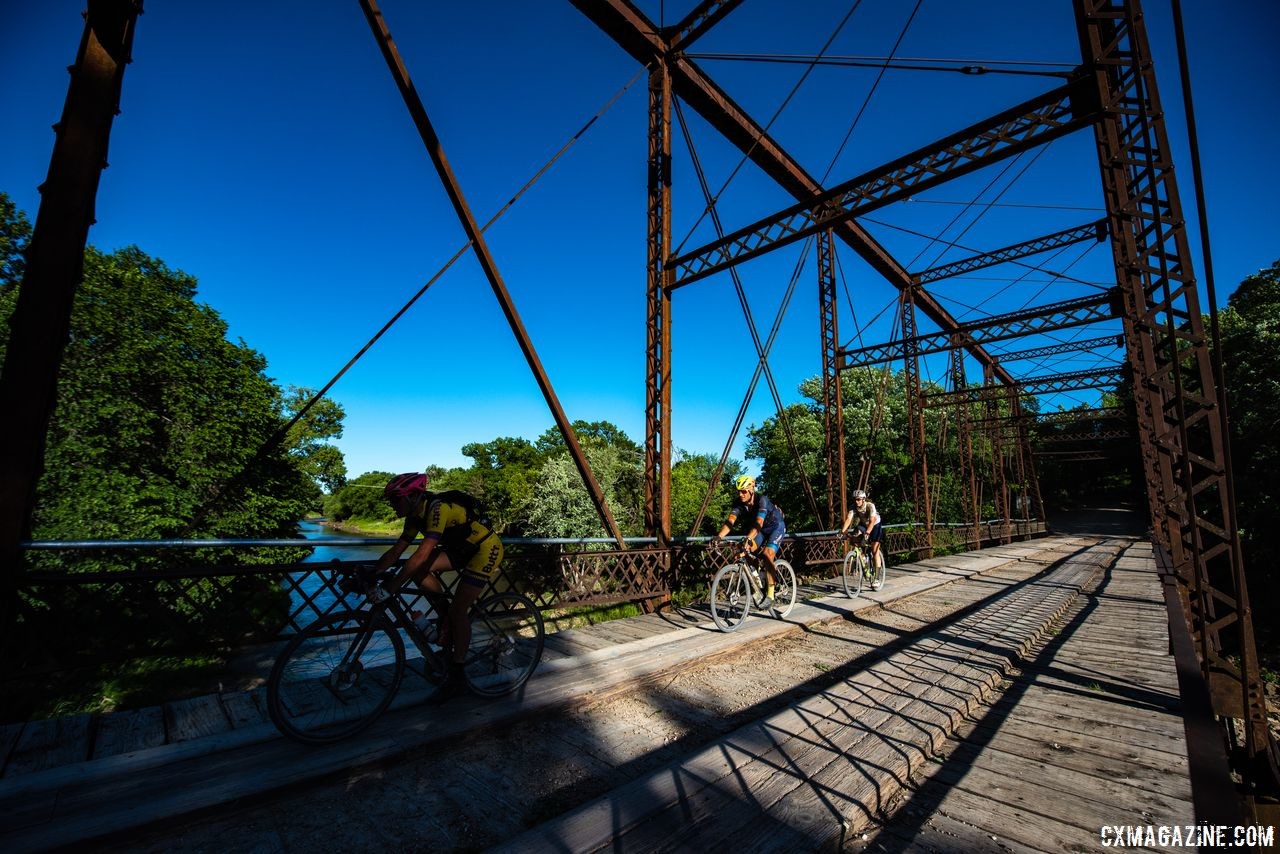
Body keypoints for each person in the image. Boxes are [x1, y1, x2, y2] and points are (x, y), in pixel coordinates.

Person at [370, 472, 503, 702]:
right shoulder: (413, 517)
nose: (392, 505)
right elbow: (397, 552)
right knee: (420, 572)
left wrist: (391, 587)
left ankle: (458, 673)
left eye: (395, 500)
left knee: (458, 610)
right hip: (461, 550)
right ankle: (444, 617)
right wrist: (372, 572)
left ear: (412, 497)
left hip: (484, 550)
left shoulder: (437, 509)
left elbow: (422, 553)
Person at [712, 475, 786, 611]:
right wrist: (719, 537)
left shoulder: (761, 500)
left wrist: (749, 537)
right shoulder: (738, 503)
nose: (741, 494)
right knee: (743, 551)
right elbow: (730, 522)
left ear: (752, 489)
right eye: (739, 491)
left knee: (766, 554)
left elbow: (759, 523)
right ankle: (757, 577)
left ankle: (770, 595)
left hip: (776, 526)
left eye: (744, 491)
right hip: (762, 530)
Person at [840, 489, 883, 569]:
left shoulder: (870, 506)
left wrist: (867, 533)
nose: (856, 501)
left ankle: (877, 577)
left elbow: (872, 520)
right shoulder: (853, 507)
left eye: (858, 499)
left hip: (875, 525)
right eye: (855, 499)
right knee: (856, 535)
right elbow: (849, 519)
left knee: (874, 550)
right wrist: (842, 532)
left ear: (863, 499)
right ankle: (863, 557)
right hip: (864, 524)